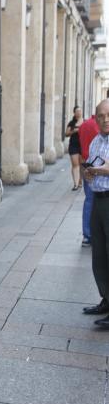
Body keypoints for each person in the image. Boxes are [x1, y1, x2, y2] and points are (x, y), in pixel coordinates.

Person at [82, 99, 109, 327]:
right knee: (99, 254)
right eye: (101, 116)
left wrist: (98, 169)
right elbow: (88, 168)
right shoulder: (96, 141)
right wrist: (88, 173)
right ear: (96, 118)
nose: (106, 119)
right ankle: (106, 299)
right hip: (98, 202)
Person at [79, 112, 99, 247]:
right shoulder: (99, 127)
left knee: (89, 201)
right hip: (100, 167)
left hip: (86, 164)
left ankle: (87, 235)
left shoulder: (84, 125)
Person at [66, 106, 83, 190]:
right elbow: (66, 133)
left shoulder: (85, 122)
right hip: (73, 145)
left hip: (82, 145)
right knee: (75, 164)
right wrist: (74, 131)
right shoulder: (71, 123)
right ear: (74, 113)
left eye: (80, 111)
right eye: (77, 111)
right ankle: (76, 184)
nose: (79, 112)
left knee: (81, 165)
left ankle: (80, 181)